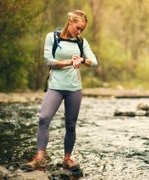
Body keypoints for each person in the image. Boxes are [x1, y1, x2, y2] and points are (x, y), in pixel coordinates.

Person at [23, 10, 98, 171]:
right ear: (70, 21)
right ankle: (39, 158)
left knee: (70, 125)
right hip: (55, 87)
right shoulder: (52, 37)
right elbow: (48, 61)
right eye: (78, 27)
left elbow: (95, 62)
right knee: (44, 118)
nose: (79, 32)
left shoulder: (81, 42)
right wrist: (69, 62)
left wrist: (82, 60)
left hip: (74, 89)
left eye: (82, 29)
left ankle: (67, 159)